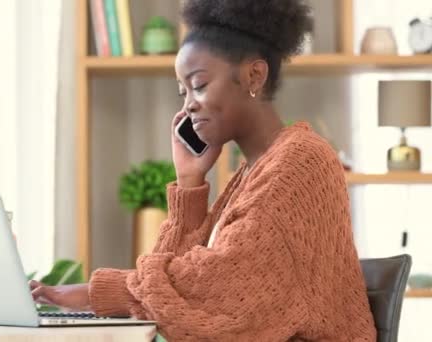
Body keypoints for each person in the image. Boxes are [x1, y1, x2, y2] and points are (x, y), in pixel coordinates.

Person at [30, 0, 377, 340]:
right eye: (183, 92)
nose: (188, 105)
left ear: (254, 75)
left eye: (198, 85)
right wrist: (190, 182)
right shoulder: (254, 171)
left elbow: (213, 286)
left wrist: (96, 293)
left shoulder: (299, 163)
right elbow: (174, 288)